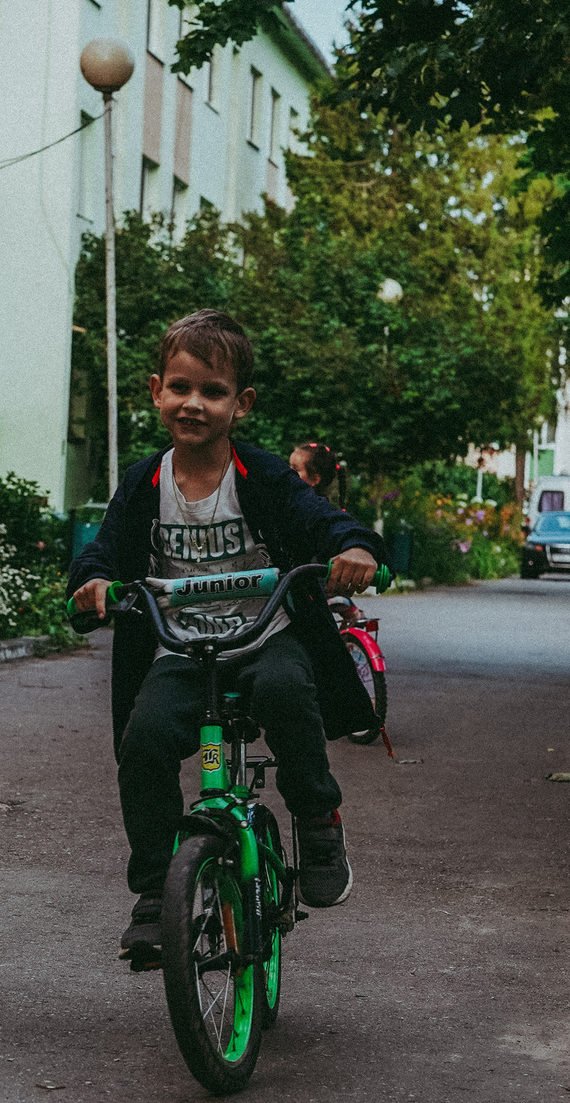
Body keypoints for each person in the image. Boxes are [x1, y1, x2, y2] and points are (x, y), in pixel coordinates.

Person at [70, 309, 385, 965]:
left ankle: (319, 820)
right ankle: (158, 888)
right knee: (146, 737)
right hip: (184, 648)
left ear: (240, 404)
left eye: (212, 391)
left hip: (267, 635)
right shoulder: (145, 482)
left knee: (283, 692)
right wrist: (94, 582)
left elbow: (322, 521)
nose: (194, 403)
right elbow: (103, 551)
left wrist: (353, 547)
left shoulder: (262, 476)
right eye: (180, 387)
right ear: (156, 390)